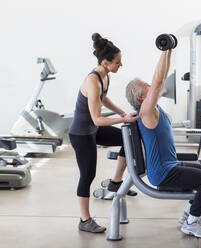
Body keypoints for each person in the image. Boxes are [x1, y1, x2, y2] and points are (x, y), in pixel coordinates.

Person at [125, 49, 201, 238]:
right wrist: (164, 50)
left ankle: (187, 216)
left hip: (170, 165)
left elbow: (161, 78)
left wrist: (169, 51)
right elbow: (159, 81)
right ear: (142, 98)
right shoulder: (146, 111)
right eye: (147, 87)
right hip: (163, 173)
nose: (154, 86)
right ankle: (191, 224)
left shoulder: (152, 108)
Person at [69, 33, 139, 233]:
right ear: (106, 62)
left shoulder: (104, 75)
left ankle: (116, 182)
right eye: (118, 62)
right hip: (82, 134)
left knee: (128, 138)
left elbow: (104, 98)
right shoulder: (92, 80)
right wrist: (123, 119)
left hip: (93, 130)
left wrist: (122, 112)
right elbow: (97, 119)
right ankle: (85, 220)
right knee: (87, 175)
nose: (121, 65)